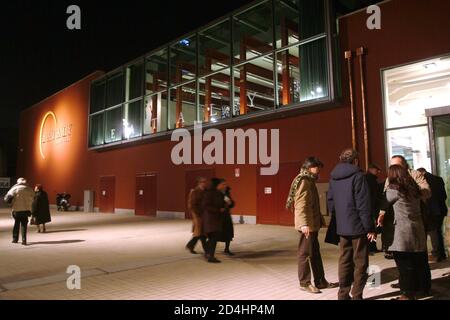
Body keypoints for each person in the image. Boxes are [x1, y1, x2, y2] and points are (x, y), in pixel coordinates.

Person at [327, 149, 376, 300]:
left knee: (344, 260)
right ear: (355, 160)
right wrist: (370, 227)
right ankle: (357, 295)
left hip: (342, 226)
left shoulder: (333, 177)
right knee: (361, 261)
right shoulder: (358, 176)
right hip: (358, 227)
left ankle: (342, 294)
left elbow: (330, 202)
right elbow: (363, 204)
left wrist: (339, 218)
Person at [286, 157, 338, 294]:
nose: (319, 170)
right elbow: (301, 204)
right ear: (309, 167)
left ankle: (321, 281)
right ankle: (304, 283)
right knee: (305, 253)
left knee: (315, 253)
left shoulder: (309, 180)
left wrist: (319, 220)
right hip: (307, 225)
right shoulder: (303, 181)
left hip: (312, 224)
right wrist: (303, 224)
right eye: (317, 167)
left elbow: (313, 204)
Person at [385, 165, 430, 300]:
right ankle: (421, 289)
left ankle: (406, 295)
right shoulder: (414, 189)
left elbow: (384, 202)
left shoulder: (394, 190)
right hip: (417, 230)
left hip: (402, 234)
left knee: (404, 266)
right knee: (418, 263)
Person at [378, 156, 431, 260]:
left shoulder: (415, 174)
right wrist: (382, 213)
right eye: (392, 165)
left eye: (397, 165)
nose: (394, 167)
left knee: (417, 249)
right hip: (397, 217)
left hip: (414, 214)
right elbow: (386, 197)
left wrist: (409, 194)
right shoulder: (390, 178)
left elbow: (426, 191)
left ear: (404, 165)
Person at [417, 168, 448, 262]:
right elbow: (444, 196)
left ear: (420, 173)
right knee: (437, 231)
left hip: (428, 210)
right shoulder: (438, 179)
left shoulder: (421, 181)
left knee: (432, 232)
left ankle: (436, 254)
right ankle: (441, 253)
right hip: (440, 210)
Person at [4, 178, 35, 245]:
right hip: (26, 210)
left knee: (16, 224)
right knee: (24, 225)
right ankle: (24, 240)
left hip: (17, 210)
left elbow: (7, 198)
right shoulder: (29, 189)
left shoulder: (14, 189)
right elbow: (34, 197)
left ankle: (15, 239)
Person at [202, 178, 226, 263]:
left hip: (217, 218)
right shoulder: (209, 193)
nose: (224, 186)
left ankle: (208, 253)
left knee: (214, 237)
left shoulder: (220, 193)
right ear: (217, 185)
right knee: (214, 237)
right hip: (211, 219)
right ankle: (210, 256)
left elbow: (222, 203)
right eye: (222, 184)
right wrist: (218, 209)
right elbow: (205, 205)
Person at [186, 177, 208, 255]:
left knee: (200, 233)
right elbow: (192, 204)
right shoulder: (195, 191)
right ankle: (206, 250)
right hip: (198, 214)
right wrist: (197, 213)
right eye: (203, 182)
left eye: (205, 182)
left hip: (203, 214)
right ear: (199, 183)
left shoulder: (205, 191)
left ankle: (190, 245)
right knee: (200, 232)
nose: (204, 183)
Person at [365, 164, 383, 253]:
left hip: (371, 206)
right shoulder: (370, 179)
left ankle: (372, 247)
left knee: (373, 226)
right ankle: (371, 247)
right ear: (371, 169)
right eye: (376, 170)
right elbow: (373, 194)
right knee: (372, 226)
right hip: (372, 206)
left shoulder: (370, 179)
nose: (378, 172)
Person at [217, 183, 235, 256]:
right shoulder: (216, 193)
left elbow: (231, 203)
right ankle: (209, 249)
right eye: (223, 185)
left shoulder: (227, 193)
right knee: (215, 234)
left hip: (226, 215)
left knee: (228, 232)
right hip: (218, 216)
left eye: (225, 185)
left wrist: (230, 203)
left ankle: (227, 249)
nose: (225, 186)